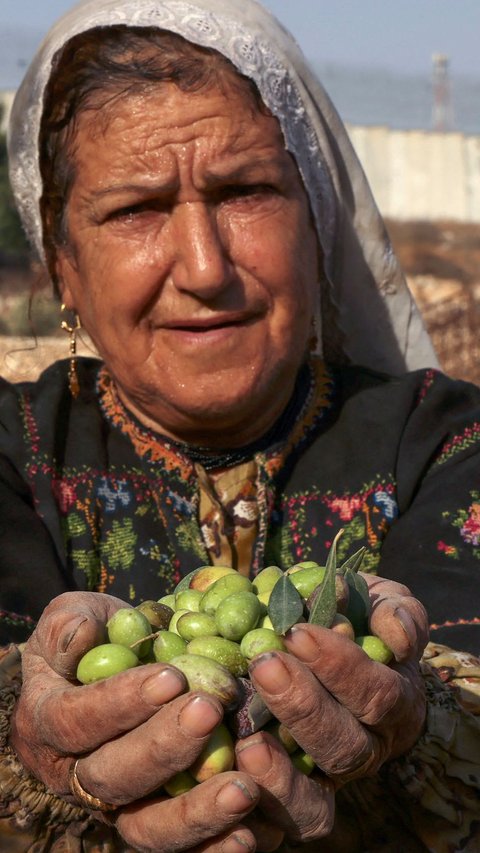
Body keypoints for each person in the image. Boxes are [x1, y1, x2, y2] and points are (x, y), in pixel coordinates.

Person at [1, 0, 480, 850]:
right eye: (137, 209)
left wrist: (420, 722)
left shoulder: (448, 444)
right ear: (63, 266)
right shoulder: (14, 456)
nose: (205, 267)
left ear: (316, 222)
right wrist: (25, 743)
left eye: (246, 191)